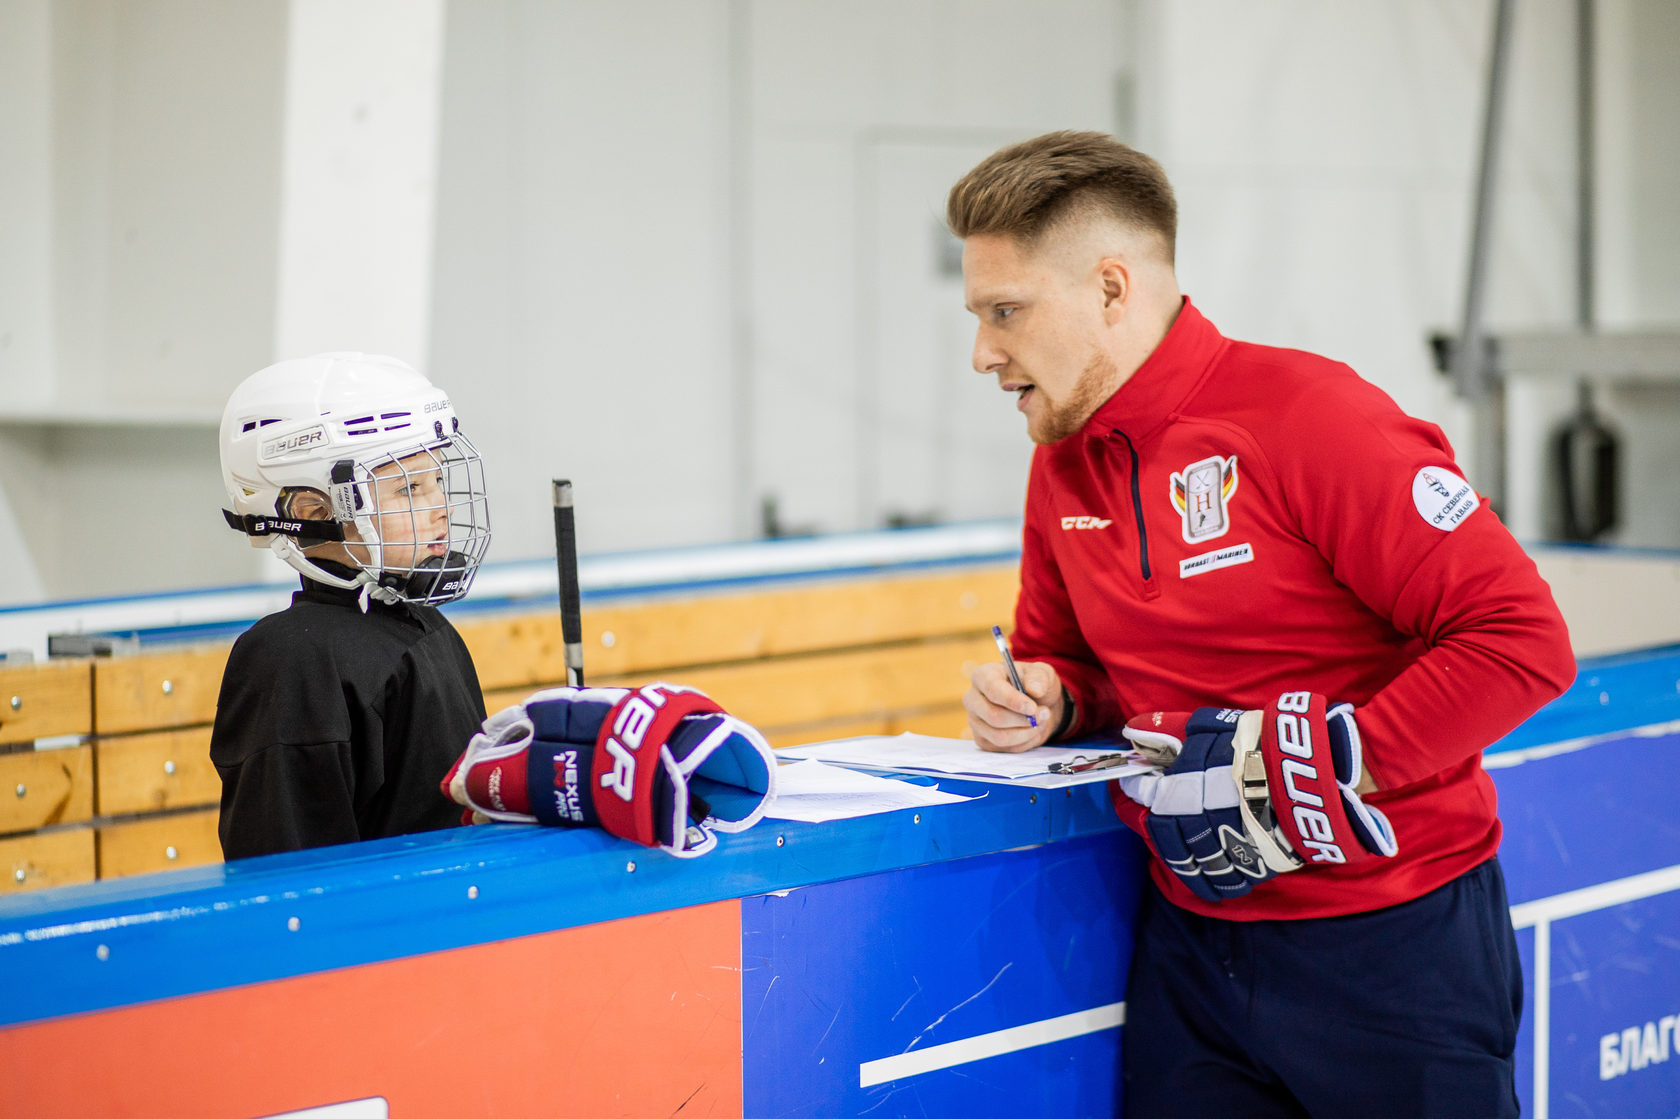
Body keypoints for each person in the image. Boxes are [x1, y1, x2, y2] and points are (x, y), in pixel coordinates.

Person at [952, 132, 1574, 1118]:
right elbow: (1074, 664)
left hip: (1392, 945)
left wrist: (1314, 769)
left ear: (1111, 289)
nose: (983, 351)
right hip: (1189, 947)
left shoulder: (1309, 419)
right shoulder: (1062, 461)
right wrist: (1052, 700)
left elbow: (1519, 640)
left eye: (1005, 312)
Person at [211, 352, 493, 859]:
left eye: (436, 482)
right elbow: (288, 874)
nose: (441, 509)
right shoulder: (294, 660)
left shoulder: (421, 623)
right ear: (313, 511)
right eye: (409, 488)